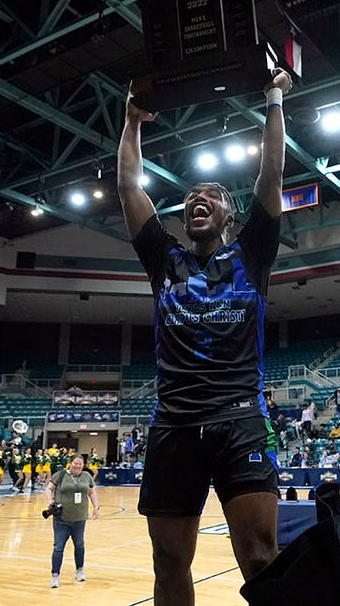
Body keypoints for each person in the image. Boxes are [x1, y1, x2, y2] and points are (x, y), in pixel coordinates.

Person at [117, 69, 292, 606]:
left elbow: (271, 177)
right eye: (190, 196)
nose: (197, 200)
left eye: (211, 196)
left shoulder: (252, 254)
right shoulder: (162, 261)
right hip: (172, 424)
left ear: (229, 214)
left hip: (244, 419)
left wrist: (273, 100)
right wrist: (131, 121)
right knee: (169, 561)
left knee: (261, 557)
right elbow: (128, 185)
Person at [44, 455, 99, 588]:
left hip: (79, 518)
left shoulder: (86, 476)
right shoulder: (60, 475)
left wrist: (96, 507)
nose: (77, 466)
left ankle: (79, 570)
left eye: (80, 464)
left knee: (79, 545)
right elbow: (48, 488)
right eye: (75, 464)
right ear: (70, 463)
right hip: (62, 518)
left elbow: (92, 492)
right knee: (58, 547)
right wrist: (49, 500)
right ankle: (55, 575)